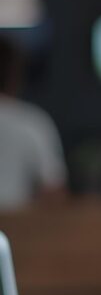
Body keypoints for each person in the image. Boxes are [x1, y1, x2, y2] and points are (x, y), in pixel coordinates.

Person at [0, 36, 66, 209]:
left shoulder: (32, 122)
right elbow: (54, 191)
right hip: (20, 229)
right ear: (15, 75)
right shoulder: (32, 123)